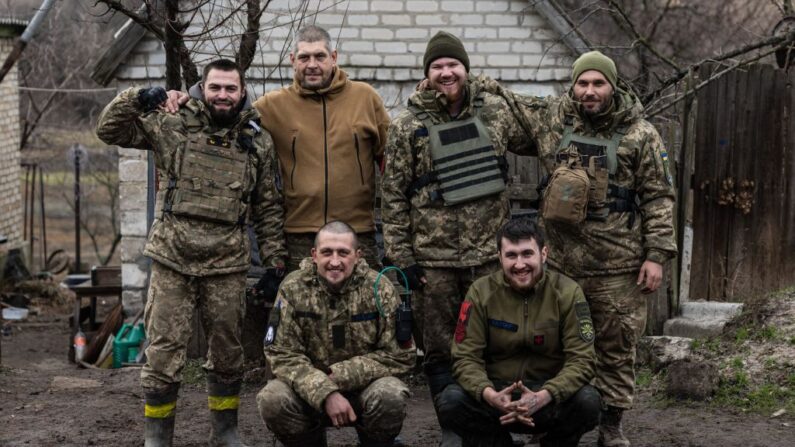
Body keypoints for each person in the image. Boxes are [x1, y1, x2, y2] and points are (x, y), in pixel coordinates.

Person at [480, 51, 677, 447]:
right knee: (550, 343)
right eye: (582, 83)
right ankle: (547, 417)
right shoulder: (554, 119)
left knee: (616, 345)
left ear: (613, 85)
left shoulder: (641, 134)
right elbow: (509, 102)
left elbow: (659, 198)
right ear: (573, 86)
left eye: (597, 83)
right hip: (561, 265)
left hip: (616, 264)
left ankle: (611, 423)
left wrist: (656, 255)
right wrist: (464, 83)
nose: (589, 91)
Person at [96, 58, 287, 447]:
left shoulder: (257, 141)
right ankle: (158, 436)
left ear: (242, 91)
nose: (223, 95)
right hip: (172, 261)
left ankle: (225, 432)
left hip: (227, 265)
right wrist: (139, 96)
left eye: (230, 88)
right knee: (163, 353)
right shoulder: (172, 122)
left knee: (228, 353)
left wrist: (274, 264)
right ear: (203, 87)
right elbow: (108, 129)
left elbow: (268, 207)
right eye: (215, 87)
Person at [380, 31, 533, 444]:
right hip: (434, 261)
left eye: (453, 65)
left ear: (466, 69)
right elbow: (392, 196)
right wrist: (403, 260)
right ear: (427, 74)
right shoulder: (407, 125)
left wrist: (495, 86)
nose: (446, 72)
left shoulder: (496, 112)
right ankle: (452, 427)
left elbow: (539, 130)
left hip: (488, 256)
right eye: (437, 67)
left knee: (497, 341)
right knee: (441, 350)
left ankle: (498, 422)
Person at [437, 218, 600, 447]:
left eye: (527, 254)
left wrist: (545, 394)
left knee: (589, 402)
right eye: (511, 255)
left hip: (547, 396)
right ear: (499, 257)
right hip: (496, 397)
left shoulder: (568, 292)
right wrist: (489, 394)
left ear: (543, 254)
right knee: (450, 401)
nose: (520, 264)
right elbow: (465, 357)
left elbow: (583, 359)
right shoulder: (480, 292)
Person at [256, 221, 415, 447]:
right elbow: (280, 354)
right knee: (272, 399)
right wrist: (325, 392)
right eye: (326, 252)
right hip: (306, 392)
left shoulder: (380, 288)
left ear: (358, 255)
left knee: (390, 395)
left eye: (343, 253)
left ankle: (374, 443)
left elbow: (401, 354)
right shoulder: (293, 288)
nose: (335, 261)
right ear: (314, 255)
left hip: (364, 390)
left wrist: (340, 376)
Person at [253, 25, 390, 272]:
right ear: (293, 61)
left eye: (320, 56)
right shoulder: (273, 105)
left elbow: (393, 159)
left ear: (334, 58)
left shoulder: (366, 98)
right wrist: (186, 97)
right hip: (298, 237)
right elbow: (227, 111)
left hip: (357, 233)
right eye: (304, 57)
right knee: (302, 309)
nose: (312, 64)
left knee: (363, 308)